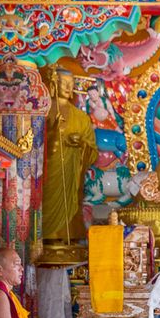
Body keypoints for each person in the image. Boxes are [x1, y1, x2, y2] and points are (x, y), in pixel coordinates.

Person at [40, 67, 98, 254]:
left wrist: (81, 143)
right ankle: (43, 237)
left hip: (72, 172)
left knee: (70, 202)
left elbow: (93, 152)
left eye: (70, 85)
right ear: (54, 85)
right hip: (47, 170)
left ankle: (69, 236)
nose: (67, 88)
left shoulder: (81, 118)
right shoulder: (43, 111)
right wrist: (51, 132)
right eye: (63, 84)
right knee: (44, 199)